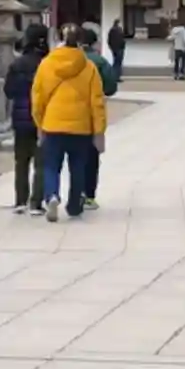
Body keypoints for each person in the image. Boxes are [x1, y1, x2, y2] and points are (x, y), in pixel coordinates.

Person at [32, 24, 107, 221]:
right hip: (81, 126)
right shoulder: (89, 67)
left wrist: (39, 123)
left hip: (53, 123)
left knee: (51, 165)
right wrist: (99, 130)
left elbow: (38, 98)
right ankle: (74, 205)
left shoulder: (47, 64)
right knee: (78, 166)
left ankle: (52, 195)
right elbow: (97, 102)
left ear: (59, 40)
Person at [3, 23, 49, 213]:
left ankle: (20, 201)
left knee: (21, 161)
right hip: (43, 117)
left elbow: (9, 90)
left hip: (20, 116)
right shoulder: (48, 63)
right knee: (42, 162)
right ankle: (36, 202)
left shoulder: (17, 64)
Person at [78, 24, 119, 210]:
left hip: (69, 112)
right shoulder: (100, 62)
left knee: (74, 156)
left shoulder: (68, 59)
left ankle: (75, 192)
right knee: (91, 156)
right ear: (95, 43)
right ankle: (89, 195)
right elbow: (110, 87)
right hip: (93, 112)